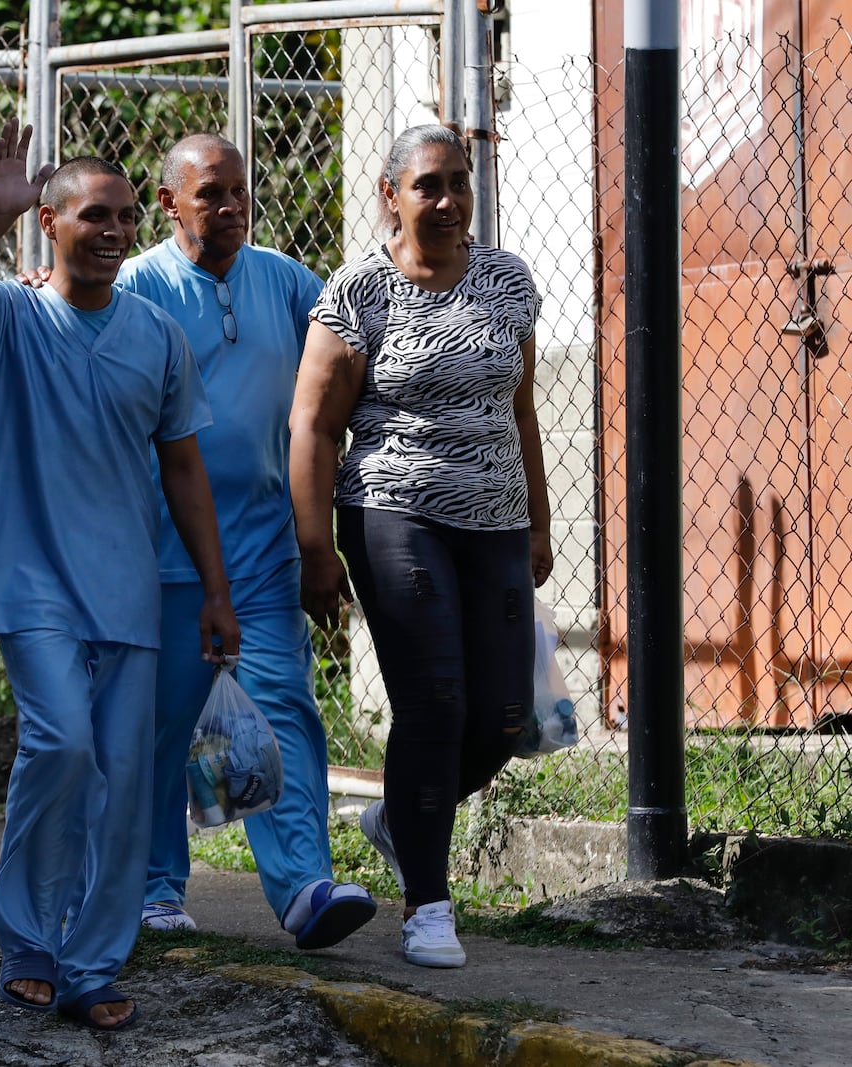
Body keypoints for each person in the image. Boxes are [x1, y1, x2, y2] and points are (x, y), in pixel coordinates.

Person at [0, 120, 239, 1032]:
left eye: (127, 216)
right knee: (63, 745)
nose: (116, 230)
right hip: (26, 578)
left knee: (127, 774)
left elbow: (183, 470)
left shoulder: (157, 336)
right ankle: (27, 941)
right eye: (95, 215)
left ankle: (92, 960)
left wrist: (214, 588)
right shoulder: (10, 316)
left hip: (127, 586)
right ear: (49, 224)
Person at [288, 124, 551, 969]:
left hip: (497, 522)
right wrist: (316, 546)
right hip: (394, 511)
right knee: (434, 702)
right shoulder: (358, 291)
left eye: (459, 184)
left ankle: (399, 818)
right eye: (429, 185)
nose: (447, 201)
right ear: (390, 194)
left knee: (505, 716)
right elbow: (314, 424)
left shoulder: (507, 281)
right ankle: (428, 905)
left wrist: (540, 521)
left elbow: (522, 410)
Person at [116, 134, 377, 950]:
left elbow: (341, 370)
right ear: (169, 204)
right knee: (166, 722)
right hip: (163, 553)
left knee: (280, 709)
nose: (231, 209)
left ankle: (304, 886)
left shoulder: (288, 281)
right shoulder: (137, 287)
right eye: (211, 196)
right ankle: (157, 884)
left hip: (263, 547)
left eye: (240, 193)